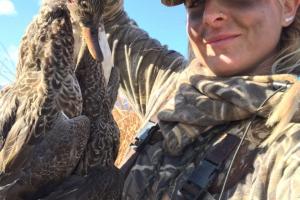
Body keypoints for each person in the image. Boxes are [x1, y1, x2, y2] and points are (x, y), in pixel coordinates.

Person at [103, 0, 300, 199]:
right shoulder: (170, 84)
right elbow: (106, 21)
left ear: (288, 7)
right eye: (195, 2)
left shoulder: (290, 144)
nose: (209, 16)